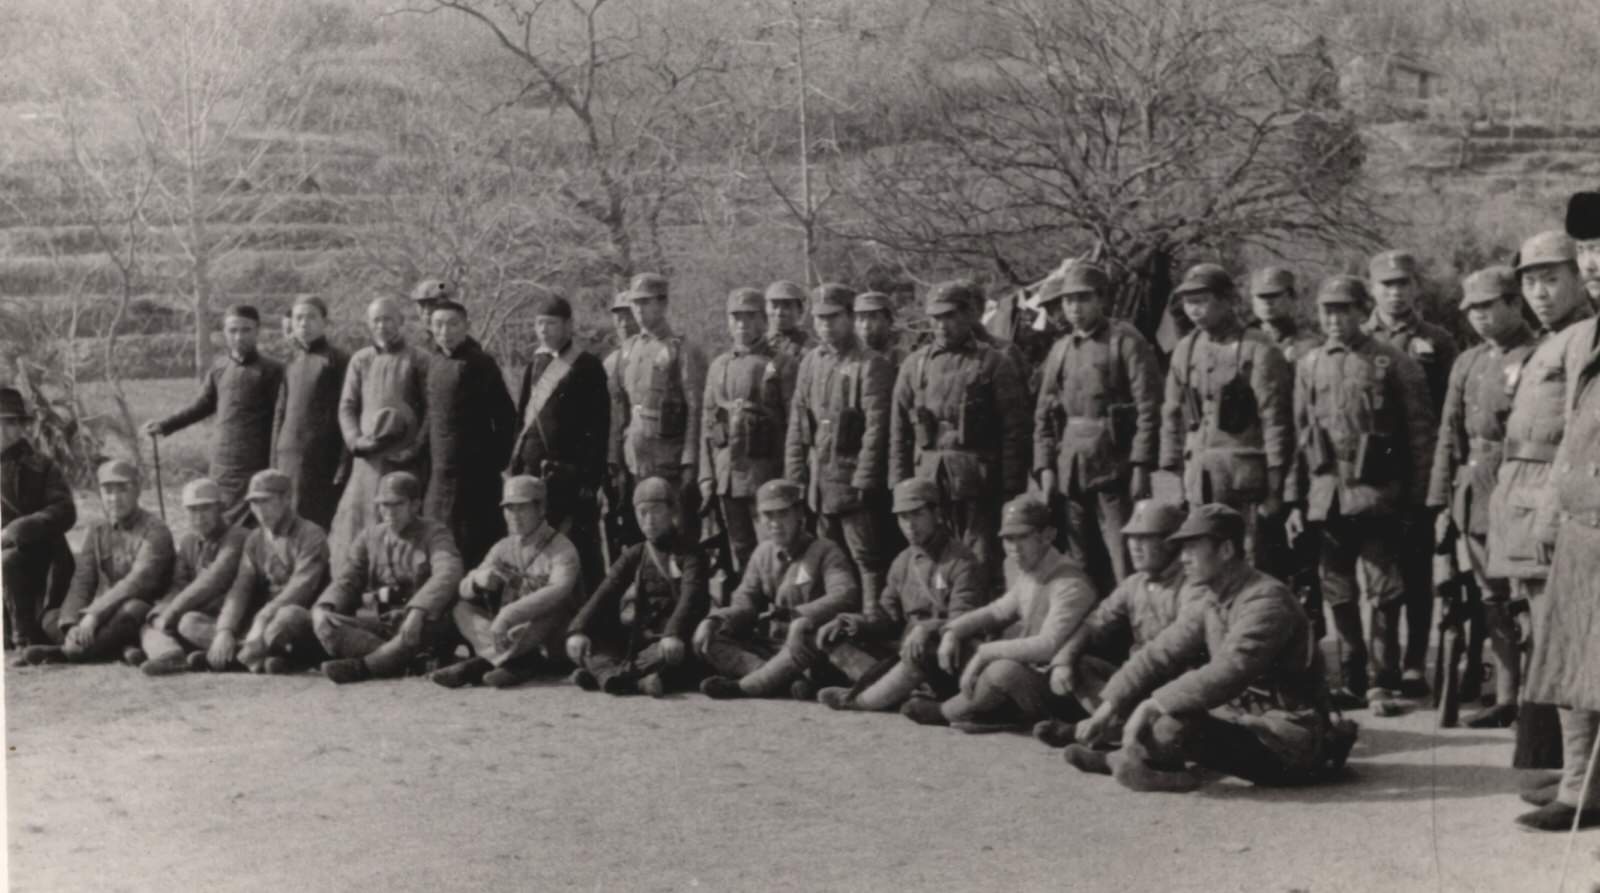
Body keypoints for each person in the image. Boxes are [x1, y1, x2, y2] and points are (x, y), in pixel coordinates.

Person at [1072, 504, 1353, 792]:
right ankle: (1142, 762)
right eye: (1182, 550)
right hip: (1244, 721)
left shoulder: (1266, 600)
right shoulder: (1213, 598)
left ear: (1227, 550)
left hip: (1289, 738)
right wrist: (1109, 706)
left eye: (1193, 549)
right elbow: (1160, 652)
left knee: (1172, 726)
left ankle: (1150, 766)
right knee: (1168, 714)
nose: (1183, 559)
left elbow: (1230, 670)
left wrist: (1151, 704)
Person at [1285, 277, 1433, 711]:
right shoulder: (1309, 364)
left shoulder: (1394, 362)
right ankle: (1352, 674)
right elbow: (1300, 435)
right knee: (1338, 590)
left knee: (1384, 588)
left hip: (1379, 495)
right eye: (1327, 311)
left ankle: (1382, 678)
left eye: (1344, 310)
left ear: (1361, 311)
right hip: (1327, 495)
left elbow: (1420, 436)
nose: (1334, 319)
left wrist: (1422, 500)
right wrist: (1295, 500)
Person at [1488, 229, 1593, 778]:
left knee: (1565, 644)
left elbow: (1581, 431)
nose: (1540, 293)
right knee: (1543, 638)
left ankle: (1575, 779)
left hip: (1557, 504)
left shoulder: (1581, 339)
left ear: (1579, 279)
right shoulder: (1547, 343)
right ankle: (1555, 768)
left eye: (1552, 279)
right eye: (1530, 282)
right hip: (1525, 503)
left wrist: (1557, 509)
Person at [1517, 192, 1600, 830]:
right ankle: (1581, 787)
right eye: (1590, 250)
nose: (1595, 263)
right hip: (1582, 521)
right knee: (1576, 663)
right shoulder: (1592, 332)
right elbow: (1574, 429)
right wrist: (1551, 509)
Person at [1426, 267, 1535, 728]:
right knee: (1491, 598)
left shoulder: (1539, 356)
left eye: (1489, 307)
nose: (1480, 318)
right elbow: (1448, 437)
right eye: (1472, 310)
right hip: (1473, 495)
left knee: (1528, 599)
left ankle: (1538, 699)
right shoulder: (1468, 362)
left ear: (1514, 304)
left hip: (1522, 488)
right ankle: (1507, 694)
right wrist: (1440, 503)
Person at [898, 495, 1096, 732]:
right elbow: (998, 611)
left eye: (1023, 537)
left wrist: (983, 654)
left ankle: (945, 711)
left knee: (1003, 670)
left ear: (1048, 535)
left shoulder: (1069, 581)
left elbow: (1047, 645)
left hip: (1062, 686)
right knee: (944, 638)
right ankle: (989, 710)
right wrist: (952, 631)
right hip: (1033, 674)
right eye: (1008, 539)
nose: (1015, 548)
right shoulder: (1032, 569)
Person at [1363, 250, 1461, 695]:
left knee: (1420, 571)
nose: (1395, 292)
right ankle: (1379, 667)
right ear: (1372, 289)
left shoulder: (1438, 341)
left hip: (1421, 466)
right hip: (1374, 472)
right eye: (1386, 284)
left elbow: (1450, 409)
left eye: (1403, 283)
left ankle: (1415, 662)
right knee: (1380, 574)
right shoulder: (1359, 339)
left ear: (1416, 288)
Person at [890, 281, 1030, 587]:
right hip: (928, 482)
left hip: (979, 482)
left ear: (969, 316)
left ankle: (981, 625)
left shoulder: (994, 362)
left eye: (950, 316)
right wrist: (900, 484)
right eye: (936, 318)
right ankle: (940, 621)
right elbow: (899, 431)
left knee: (982, 558)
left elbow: (1014, 430)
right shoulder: (914, 366)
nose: (942, 325)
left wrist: (1011, 487)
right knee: (935, 558)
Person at [1032, 262, 1162, 591]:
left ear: (1101, 299)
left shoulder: (1126, 341)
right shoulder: (1060, 350)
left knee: (1124, 556)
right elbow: (1044, 415)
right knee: (1078, 559)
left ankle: (1134, 631)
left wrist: (1141, 465)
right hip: (1071, 470)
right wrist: (1045, 467)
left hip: (1114, 466)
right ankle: (1087, 632)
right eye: (1068, 300)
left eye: (1083, 299)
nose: (1074, 308)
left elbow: (1148, 407)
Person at [814, 478, 987, 712]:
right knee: (834, 636)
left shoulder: (961, 561)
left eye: (917, 514)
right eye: (903, 517)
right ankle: (900, 691)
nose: (910, 525)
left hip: (944, 657)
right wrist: (851, 622)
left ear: (936, 513)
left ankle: (861, 700)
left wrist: (928, 628)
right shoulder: (903, 561)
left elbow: (965, 620)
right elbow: (888, 614)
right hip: (905, 650)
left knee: (925, 650)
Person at [1159, 264, 1293, 567]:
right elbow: (1172, 411)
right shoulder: (1185, 349)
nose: (1194, 309)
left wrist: (1275, 486)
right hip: (1199, 477)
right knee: (1203, 559)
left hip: (1245, 479)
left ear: (1226, 300)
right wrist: (1175, 469)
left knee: (1250, 560)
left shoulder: (1258, 349)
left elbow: (1276, 420)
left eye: (1202, 300)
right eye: (1188, 302)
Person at [1035, 499, 1189, 748]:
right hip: (1135, 681)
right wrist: (1064, 658)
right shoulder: (1134, 583)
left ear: (1171, 542)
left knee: (1170, 724)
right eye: (1131, 538)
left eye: (1145, 539)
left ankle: (1102, 733)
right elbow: (1095, 622)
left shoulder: (1190, 585)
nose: (1135, 547)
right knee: (1081, 665)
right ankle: (1112, 730)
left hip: (1173, 683)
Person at [692, 479, 858, 700]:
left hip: (807, 647)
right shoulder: (763, 553)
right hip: (772, 646)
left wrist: (803, 617)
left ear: (799, 514)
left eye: (782, 514)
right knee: (710, 638)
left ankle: (747, 686)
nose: (775, 523)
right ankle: (784, 680)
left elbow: (845, 594)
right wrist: (715, 619)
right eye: (768, 515)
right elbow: (745, 601)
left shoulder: (825, 551)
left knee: (815, 639)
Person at [785, 282, 893, 609]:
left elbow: (876, 429)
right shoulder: (811, 363)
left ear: (849, 316)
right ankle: (836, 621)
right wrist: (795, 475)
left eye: (832, 318)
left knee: (867, 557)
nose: (825, 326)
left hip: (852, 481)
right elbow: (798, 423)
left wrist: (863, 479)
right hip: (821, 480)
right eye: (819, 319)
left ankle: (873, 619)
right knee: (831, 559)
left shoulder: (870, 364)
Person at [431, 475, 583, 690]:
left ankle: (482, 664)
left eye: (522, 508)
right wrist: (477, 580)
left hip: (547, 632)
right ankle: (520, 663)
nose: (514, 516)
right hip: (512, 634)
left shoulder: (562, 548)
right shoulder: (503, 546)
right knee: (462, 609)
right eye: (509, 508)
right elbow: (464, 588)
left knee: (552, 609)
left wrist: (507, 615)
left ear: (540, 509)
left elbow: (558, 591)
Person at [313, 471, 462, 684]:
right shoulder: (369, 537)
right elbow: (348, 578)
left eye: (397, 504)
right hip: (383, 625)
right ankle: (403, 661)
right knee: (326, 623)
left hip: (422, 624)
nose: (388, 512)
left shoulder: (435, 533)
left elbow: (448, 572)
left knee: (416, 634)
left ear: (415, 505)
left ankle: (365, 666)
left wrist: (419, 609)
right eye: (383, 505)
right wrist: (325, 606)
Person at [22, 460, 175, 666]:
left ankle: (68, 652)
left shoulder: (156, 530)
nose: (114, 498)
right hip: (106, 613)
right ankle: (117, 649)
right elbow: (83, 581)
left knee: (132, 610)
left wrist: (93, 615)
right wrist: (72, 623)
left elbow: (136, 583)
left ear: (137, 490)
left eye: (122, 490)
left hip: (140, 608)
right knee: (51, 618)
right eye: (108, 491)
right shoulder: (97, 529)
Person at [566, 477, 709, 697]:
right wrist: (579, 629)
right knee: (591, 644)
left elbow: (691, 598)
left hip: (676, 640)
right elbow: (607, 590)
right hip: (640, 640)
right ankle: (633, 682)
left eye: (656, 511)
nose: (649, 520)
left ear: (672, 512)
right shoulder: (637, 553)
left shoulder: (691, 553)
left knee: (667, 655)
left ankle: (607, 676)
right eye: (642, 513)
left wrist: (674, 633)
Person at [143, 304, 284, 525]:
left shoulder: (273, 371)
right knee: (220, 523)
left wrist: (275, 464)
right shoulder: (219, 369)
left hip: (256, 462)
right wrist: (164, 425)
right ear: (224, 333)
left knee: (255, 525)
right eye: (233, 331)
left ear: (258, 331)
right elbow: (202, 406)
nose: (239, 337)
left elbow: (280, 420)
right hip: (222, 464)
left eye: (246, 330)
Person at [508, 295, 611, 589]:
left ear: (568, 326)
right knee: (538, 549)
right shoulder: (535, 364)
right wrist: (517, 467)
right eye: (539, 324)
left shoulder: (587, 366)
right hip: (534, 474)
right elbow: (522, 421)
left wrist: (589, 481)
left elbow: (598, 427)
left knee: (582, 548)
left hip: (570, 476)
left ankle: (597, 619)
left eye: (550, 323)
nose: (543, 330)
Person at [328, 296, 431, 566]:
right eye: (376, 320)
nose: (382, 325)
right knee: (357, 520)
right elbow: (347, 406)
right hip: (367, 460)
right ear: (368, 324)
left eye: (388, 319)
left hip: (404, 460)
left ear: (401, 321)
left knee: (401, 519)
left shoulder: (419, 359)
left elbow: (432, 411)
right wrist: (355, 440)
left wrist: (415, 448)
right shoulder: (360, 360)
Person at [699, 287, 792, 571]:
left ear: (764, 321)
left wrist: (791, 476)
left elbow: (793, 424)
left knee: (774, 549)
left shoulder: (782, 363)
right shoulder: (718, 366)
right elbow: (707, 423)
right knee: (739, 550)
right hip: (727, 472)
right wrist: (706, 477)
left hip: (765, 472)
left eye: (750, 317)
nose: (742, 324)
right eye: (736, 317)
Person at [609, 273, 707, 536]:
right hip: (635, 459)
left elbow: (695, 408)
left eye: (645, 302)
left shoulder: (682, 349)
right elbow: (619, 409)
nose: (638, 310)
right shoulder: (628, 350)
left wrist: (689, 461)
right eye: (635, 303)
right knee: (644, 531)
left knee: (677, 530)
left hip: (670, 458)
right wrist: (615, 457)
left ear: (662, 304)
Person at [207, 469, 331, 675]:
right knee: (190, 622)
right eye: (254, 503)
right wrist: (225, 630)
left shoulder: (311, 534)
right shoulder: (255, 539)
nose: (260, 510)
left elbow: (301, 589)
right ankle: (250, 654)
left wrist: (263, 618)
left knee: (287, 616)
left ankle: (237, 657)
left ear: (287, 499)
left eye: (266, 501)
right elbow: (241, 588)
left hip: (300, 616)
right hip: (261, 623)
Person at [423, 298, 517, 568]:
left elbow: (506, 418)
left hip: (476, 477)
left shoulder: (481, 363)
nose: (446, 331)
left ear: (466, 326)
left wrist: (495, 462)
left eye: (453, 324)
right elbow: (431, 419)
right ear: (431, 328)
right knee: (439, 544)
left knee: (476, 545)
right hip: (440, 476)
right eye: (439, 325)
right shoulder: (434, 362)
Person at [137, 479, 248, 675]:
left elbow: (213, 580)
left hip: (232, 619)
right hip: (198, 613)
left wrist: (171, 613)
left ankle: (247, 653)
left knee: (188, 623)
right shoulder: (189, 542)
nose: (198, 517)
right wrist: (161, 611)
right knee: (149, 624)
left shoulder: (238, 537)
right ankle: (171, 655)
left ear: (220, 508)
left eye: (205, 508)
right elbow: (179, 584)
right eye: (192, 510)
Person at [1, 385, 76, 652]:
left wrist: (21, 527)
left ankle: (25, 640)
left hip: (40, 557)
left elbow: (65, 510)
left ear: (22, 426)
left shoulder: (42, 465)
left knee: (8, 561)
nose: (2, 430)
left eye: (9, 423)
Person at [271, 295, 350, 529]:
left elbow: (348, 411)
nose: (304, 324)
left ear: (325, 322)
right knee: (285, 520)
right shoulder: (291, 360)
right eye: (299, 318)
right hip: (287, 455)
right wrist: (274, 458)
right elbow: (280, 412)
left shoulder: (339, 360)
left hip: (322, 457)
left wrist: (344, 462)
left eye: (311, 317)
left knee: (315, 522)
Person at [764, 280, 814, 363]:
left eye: (787, 306)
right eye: (774, 306)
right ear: (766, 309)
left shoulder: (809, 346)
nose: (779, 312)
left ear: (800, 310)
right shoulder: (757, 343)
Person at [854, 291, 905, 368]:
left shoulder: (905, 362)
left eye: (873, 318)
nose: (866, 326)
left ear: (889, 321)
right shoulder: (850, 364)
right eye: (861, 319)